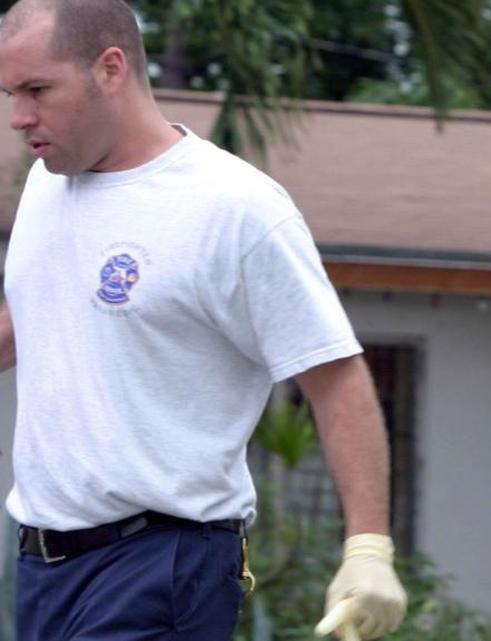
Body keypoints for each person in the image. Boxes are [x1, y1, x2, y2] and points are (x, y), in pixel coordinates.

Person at [0, 1, 406, 639]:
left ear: (110, 68)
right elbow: (37, 313)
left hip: (159, 565)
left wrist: (368, 549)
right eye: (9, 93)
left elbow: (335, 376)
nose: (19, 116)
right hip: (42, 568)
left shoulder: (233, 210)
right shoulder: (51, 183)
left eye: (36, 90)